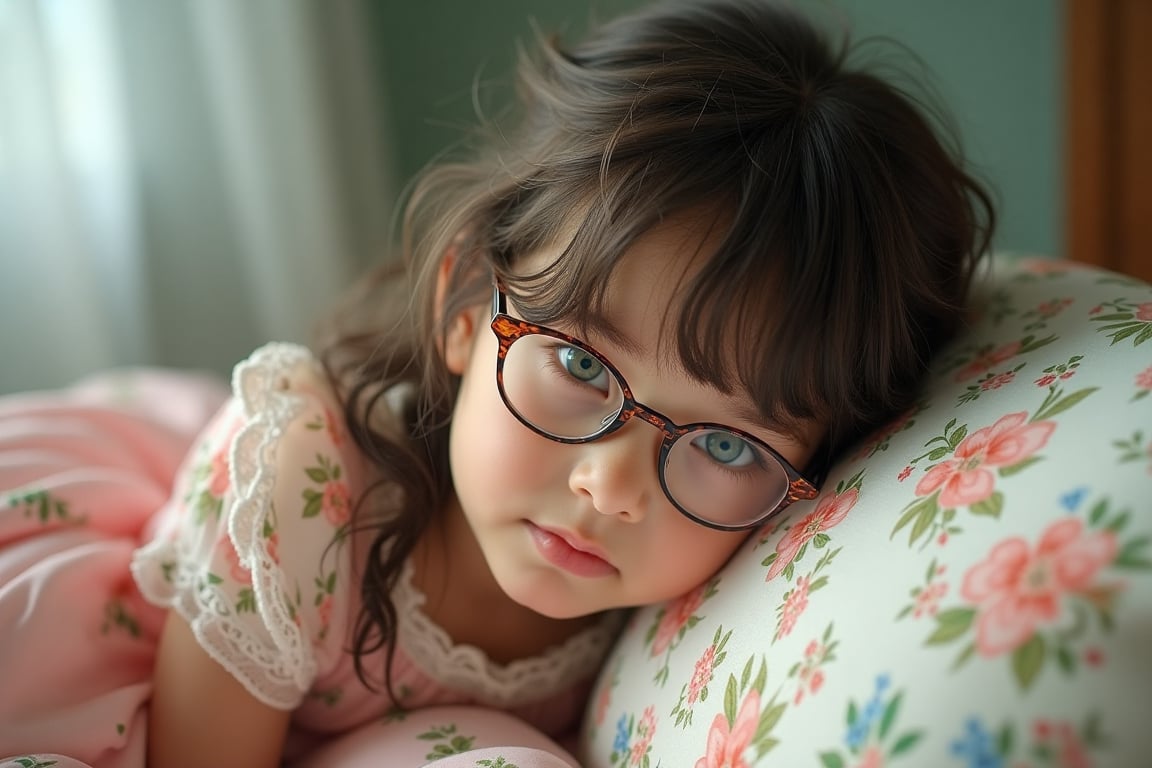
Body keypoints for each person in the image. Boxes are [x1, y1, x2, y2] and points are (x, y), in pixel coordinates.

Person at [0, 0, 995, 765]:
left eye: (725, 443)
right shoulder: (300, 487)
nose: (610, 484)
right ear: (468, 306)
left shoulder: (696, 595)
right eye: (578, 364)